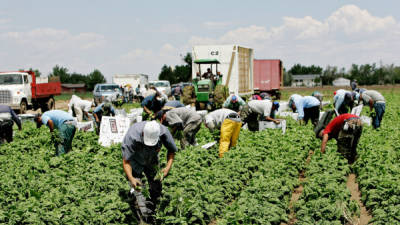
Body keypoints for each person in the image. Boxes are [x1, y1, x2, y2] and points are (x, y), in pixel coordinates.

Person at [122, 121, 177, 220]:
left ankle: (155, 208)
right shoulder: (132, 136)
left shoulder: (164, 132)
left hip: (152, 159)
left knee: (156, 185)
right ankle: (142, 214)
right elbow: (126, 161)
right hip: (135, 160)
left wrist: (167, 168)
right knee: (137, 187)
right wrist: (131, 178)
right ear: (143, 134)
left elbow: (172, 150)